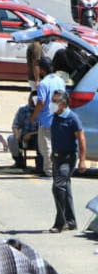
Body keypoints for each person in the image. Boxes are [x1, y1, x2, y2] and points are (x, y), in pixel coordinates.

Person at [47, 89, 87, 232]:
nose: (52, 103)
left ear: (63, 103)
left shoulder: (72, 118)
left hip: (68, 158)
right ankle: (71, 221)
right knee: (65, 189)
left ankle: (60, 223)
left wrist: (82, 160)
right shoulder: (55, 116)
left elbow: (81, 139)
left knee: (58, 187)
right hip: (57, 157)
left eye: (55, 101)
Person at [32, 70, 67, 177]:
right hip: (58, 117)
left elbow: (41, 102)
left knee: (46, 146)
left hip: (46, 119)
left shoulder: (43, 83)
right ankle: (57, 168)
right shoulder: (61, 81)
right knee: (55, 146)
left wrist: (34, 116)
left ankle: (50, 171)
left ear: (42, 70)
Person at [10, 91, 41, 170]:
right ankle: (18, 161)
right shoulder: (22, 110)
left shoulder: (43, 111)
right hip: (23, 135)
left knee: (39, 140)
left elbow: (45, 129)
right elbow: (15, 125)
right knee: (11, 139)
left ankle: (40, 164)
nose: (32, 101)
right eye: (31, 98)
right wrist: (17, 134)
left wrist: (31, 134)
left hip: (37, 136)